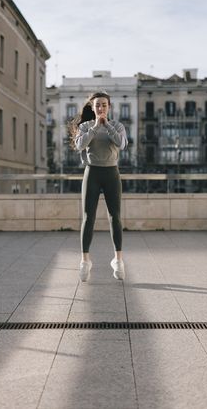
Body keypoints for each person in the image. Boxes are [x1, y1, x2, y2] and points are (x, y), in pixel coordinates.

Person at [71, 91, 128, 282]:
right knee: (88, 217)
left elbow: (121, 144)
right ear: (92, 107)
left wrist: (107, 127)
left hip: (111, 173)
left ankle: (118, 260)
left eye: (104, 105)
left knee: (115, 217)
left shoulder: (118, 126)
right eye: (97, 105)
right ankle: (85, 261)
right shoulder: (85, 126)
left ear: (109, 107)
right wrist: (95, 127)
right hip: (92, 173)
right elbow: (79, 145)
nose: (101, 108)